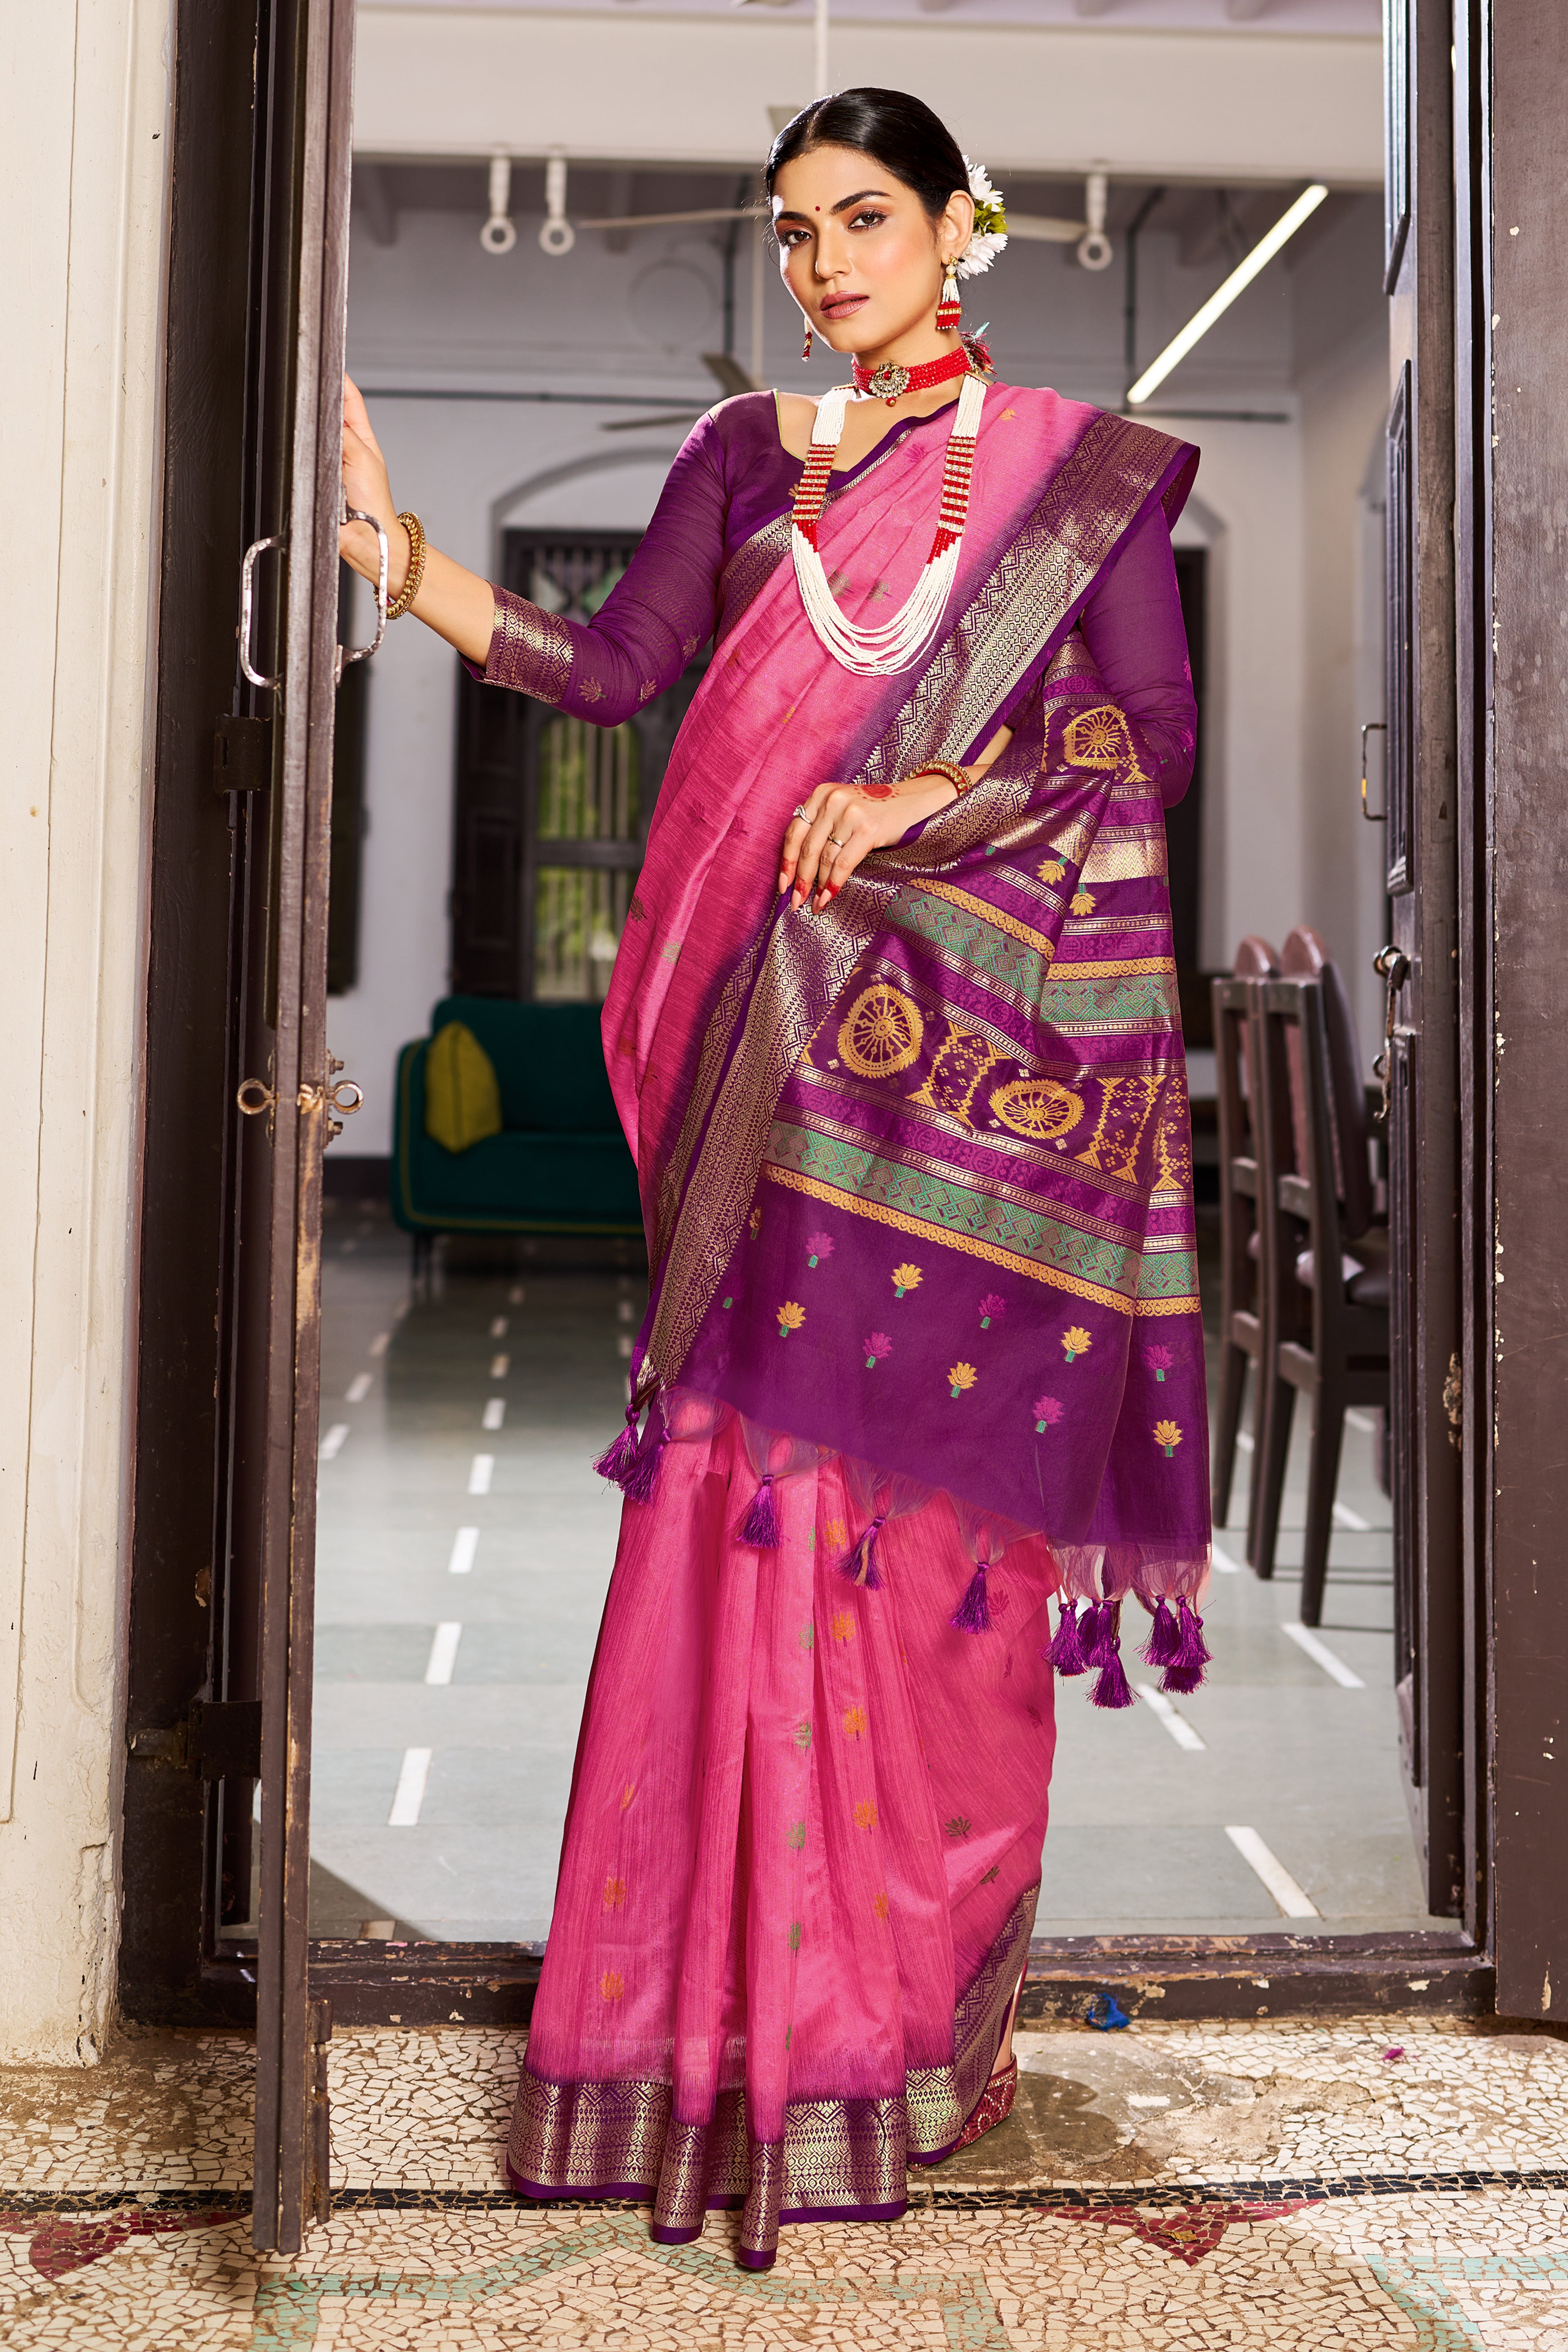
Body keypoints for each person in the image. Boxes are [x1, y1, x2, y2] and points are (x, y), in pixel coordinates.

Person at [341, 86, 1212, 2272]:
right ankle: (718, 2017)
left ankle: (913, 2020)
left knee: (930, 1567)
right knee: (748, 1520)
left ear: (956, 231)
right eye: (797, 230)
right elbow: (624, 672)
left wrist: (924, 801)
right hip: (760, 1063)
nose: (825, 262)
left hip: (953, 1090)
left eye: (865, 220)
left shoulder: (1068, 480)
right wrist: (405, 564)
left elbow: (1149, 745)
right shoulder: (746, 463)